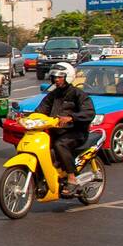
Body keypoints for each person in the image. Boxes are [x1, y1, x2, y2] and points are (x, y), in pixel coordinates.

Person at [34, 62, 95, 196]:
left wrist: (71, 117)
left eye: (60, 77)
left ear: (68, 77)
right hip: (56, 131)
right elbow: (40, 110)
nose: (56, 79)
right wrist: (26, 117)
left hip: (76, 132)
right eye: (54, 77)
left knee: (59, 144)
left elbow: (89, 112)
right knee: (38, 147)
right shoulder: (53, 95)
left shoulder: (78, 94)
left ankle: (71, 178)